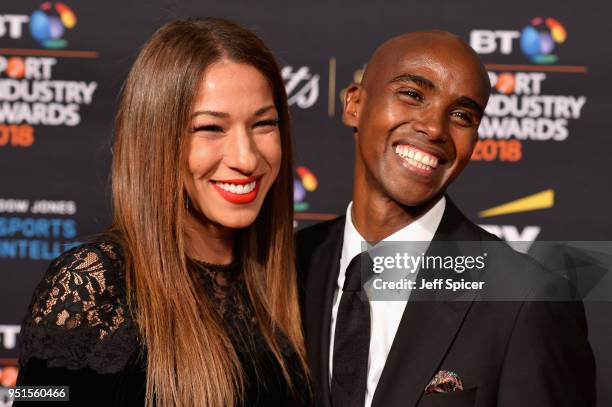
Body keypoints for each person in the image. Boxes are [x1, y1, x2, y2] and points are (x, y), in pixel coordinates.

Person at [16, 17, 309, 407]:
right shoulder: (92, 286)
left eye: (263, 124)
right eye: (210, 128)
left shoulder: (297, 282)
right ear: (157, 138)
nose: (246, 157)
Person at [296, 31, 595, 407]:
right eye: (412, 95)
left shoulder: (526, 300)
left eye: (461, 115)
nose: (435, 128)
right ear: (355, 104)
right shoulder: (290, 267)